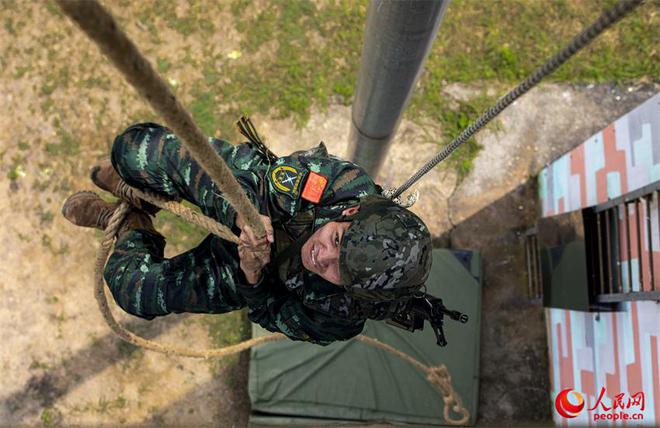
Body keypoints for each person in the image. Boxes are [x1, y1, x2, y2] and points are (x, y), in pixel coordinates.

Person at [62, 121, 433, 345]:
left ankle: (132, 224)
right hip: (249, 200)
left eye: (340, 272)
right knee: (132, 150)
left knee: (133, 293)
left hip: (251, 273)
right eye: (336, 240)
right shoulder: (339, 184)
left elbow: (271, 313)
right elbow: (250, 184)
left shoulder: (340, 316)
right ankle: (140, 190)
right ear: (350, 212)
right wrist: (241, 216)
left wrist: (252, 275)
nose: (322, 256)